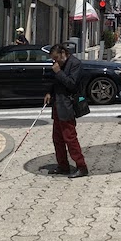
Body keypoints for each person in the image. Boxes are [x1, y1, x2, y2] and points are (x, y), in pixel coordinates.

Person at [44, 43, 88, 178]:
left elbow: (72, 84)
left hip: (68, 105)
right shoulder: (60, 65)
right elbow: (56, 82)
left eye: (57, 58)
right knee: (57, 138)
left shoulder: (75, 64)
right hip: (58, 104)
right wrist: (49, 92)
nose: (55, 61)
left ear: (63, 53)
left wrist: (59, 72)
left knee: (70, 137)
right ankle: (62, 165)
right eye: (53, 59)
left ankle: (81, 166)